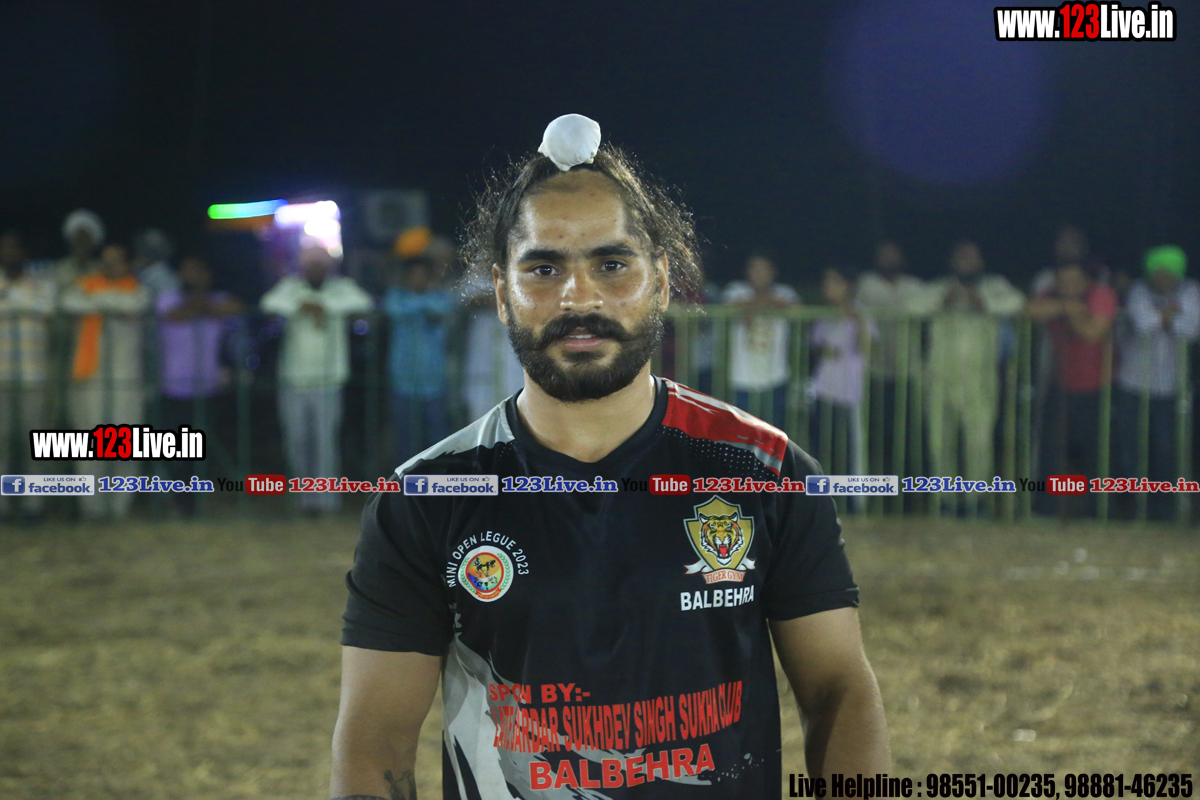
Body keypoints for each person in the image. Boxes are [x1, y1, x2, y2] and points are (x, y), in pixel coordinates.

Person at [331, 115, 889, 800]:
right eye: (544, 268)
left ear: (661, 282)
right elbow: (376, 741)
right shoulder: (425, 497)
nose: (580, 296)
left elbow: (839, 690)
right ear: (502, 295)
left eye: (612, 264)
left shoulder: (765, 471)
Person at [261, 242, 372, 515]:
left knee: (325, 442)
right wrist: (303, 305)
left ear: (328, 267)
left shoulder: (341, 287)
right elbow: (268, 303)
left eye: (319, 265)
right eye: (310, 265)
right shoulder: (292, 287)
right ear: (302, 267)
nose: (315, 269)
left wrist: (324, 306)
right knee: (296, 441)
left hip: (328, 379)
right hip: (293, 378)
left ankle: (325, 502)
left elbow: (364, 302)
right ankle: (303, 500)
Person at [912, 241, 1024, 505]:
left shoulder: (994, 286)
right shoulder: (939, 288)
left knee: (979, 442)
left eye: (971, 257)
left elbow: (1018, 302)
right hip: (940, 378)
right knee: (940, 442)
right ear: (952, 262)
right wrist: (942, 301)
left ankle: (976, 502)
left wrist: (982, 302)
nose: (966, 262)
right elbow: (910, 306)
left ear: (981, 262)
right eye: (961, 257)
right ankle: (945, 502)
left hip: (980, 380)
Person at [61, 243, 151, 521]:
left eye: (117, 260)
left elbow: (135, 305)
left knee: (125, 445)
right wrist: (112, 302)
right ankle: (93, 508)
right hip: (90, 379)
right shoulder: (82, 285)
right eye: (106, 260)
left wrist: (97, 301)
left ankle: (118, 507)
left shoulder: (139, 290)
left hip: (126, 379)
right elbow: (69, 303)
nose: (110, 266)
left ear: (128, 264)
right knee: (90, 446)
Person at [1026, 261, 1119, 516]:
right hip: (1062, 384)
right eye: (1062, 282)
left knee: (1098, 452)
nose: (1068, 286)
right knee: (1050, 451)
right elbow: (1030, 310)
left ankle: (1101, 512)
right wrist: (1068, 307)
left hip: (1099, 386)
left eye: (1074, 281)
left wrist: (1070, 313)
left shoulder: (1101, 294)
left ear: (1087, 281)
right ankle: (1046, 509)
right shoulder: (1052, 294)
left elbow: (1091, 332)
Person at [1113, 246, 1199, 520]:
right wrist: (1170, 315)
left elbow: (1191, 329)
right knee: (1131, 448)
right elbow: (1143, 324)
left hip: (1170, 387)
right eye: (1159, 272)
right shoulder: (1139, 291)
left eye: (1169, 272)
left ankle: (1164, 510)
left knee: (1166, 449)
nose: (1163, 278)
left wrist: (1161, 318)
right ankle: (1133, 507)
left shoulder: (1190, 291)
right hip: (1133, 383)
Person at [156, 255, 244, 516]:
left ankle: (194, 504)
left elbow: (235, 307)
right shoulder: (167, 298)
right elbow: (175, 315)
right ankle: (176, 502)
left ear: (208, 275)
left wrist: (203, 305)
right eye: (187, 270)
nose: (192, 276)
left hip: (207, 387)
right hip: (173, 386)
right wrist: (203, 307)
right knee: (174, 452)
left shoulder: (219, 298)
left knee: (201, 451)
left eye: (197, 271)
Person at [854, 241, 925, 479]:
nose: (888, 260)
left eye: (893, 255)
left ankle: (908, 487)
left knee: (908, 433)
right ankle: (879, 485)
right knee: (877, 433)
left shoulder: (914, 287)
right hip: (875, 371)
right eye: (884, 255)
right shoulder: (867, 284)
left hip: (908, 371)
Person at [0, 231, 56, 521]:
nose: (9, 253)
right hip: (1, 376)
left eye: (14, 247)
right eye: (5, 247)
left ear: (24, 252)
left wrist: (9, 300)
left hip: (34, 375)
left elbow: (47, 308)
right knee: (2, 444)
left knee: (33, 444)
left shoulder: (42, 283)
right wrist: (25, 305)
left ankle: (32, 506)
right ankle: (3, 506)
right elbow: (36, 308)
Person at [384, 256, 455, 463]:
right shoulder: (396, 297)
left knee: (437, 439)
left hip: (434, 381)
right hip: (403, 381)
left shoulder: (440, 298)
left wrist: (417, 308)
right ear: (406, 278)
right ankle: (406, 480)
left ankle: (437, 480)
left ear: (429, 278)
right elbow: (393, 308)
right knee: (405, 439)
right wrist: (425, 309)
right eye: (413, 276)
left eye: (422, 276)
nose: (418, 280)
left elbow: (445, 308)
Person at [808, 267, 874, 479]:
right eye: (827, 282)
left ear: (849, 286)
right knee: (822, 450)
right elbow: (816, 347)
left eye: (835, 282)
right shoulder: (824, 314)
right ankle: (823, 495)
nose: (829, 287)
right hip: (823, 390)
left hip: (849, 394)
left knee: (848, 452)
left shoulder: (861, 312)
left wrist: (857, 322)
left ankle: (850, 497)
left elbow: (868, 347)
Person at [722, 254, 801, 429]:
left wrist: (751, 306)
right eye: (754, 268)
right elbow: (729, 306)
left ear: (773, 272)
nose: (759, 274)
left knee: (775, 432)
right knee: (743, 432)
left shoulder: (785, 292)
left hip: (776, 376)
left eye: (764, 269)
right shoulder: (735, 290)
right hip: (742, 378)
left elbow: (796, 309)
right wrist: (767, 303)